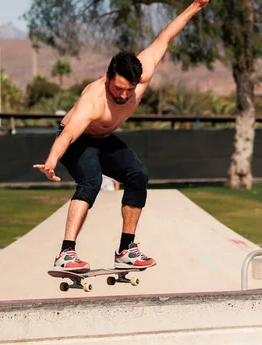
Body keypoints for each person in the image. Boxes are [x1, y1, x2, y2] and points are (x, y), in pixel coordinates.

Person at [34, 0, 209, 272]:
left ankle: (126, 249)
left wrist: (195, 6)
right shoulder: (93, 100)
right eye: (118, 89)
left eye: (130, 90)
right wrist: (52, 161)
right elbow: (68, 135)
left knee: (138, 175)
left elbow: (165, 37)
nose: (123, 95)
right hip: (77, 141)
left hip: (104, 140)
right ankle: (66, 253)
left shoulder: (143, 71)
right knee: (90, 180)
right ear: (107, 77)